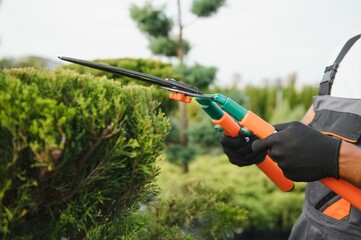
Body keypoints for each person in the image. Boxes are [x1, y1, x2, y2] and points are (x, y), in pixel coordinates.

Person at [220, 33, 361, 239]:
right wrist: (264, 143)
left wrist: (336, 159)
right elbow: (314, 121)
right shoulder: (348, 49)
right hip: (310, 227)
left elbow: (328, 153)